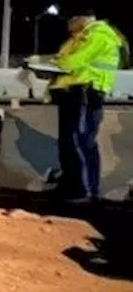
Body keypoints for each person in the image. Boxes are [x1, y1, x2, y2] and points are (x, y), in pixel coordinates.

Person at [49, 12, 129, 202]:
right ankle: (70, 187)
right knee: (69, 143)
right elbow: (62, 62)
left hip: (85, 92)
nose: (68, 25)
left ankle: (84, 190)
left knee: (80, 141)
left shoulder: (98, 35)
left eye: (70, 19)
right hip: (71, 93)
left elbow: (69, 62)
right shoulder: (78, 39)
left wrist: (52, 64)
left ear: (83, 18)